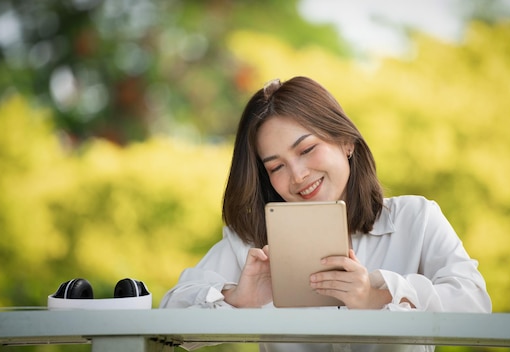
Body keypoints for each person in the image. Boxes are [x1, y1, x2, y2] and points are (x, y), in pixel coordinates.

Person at [160, 76, 492, 351]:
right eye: (277, 167)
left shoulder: (415, 219)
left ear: (346, 142)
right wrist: (236, 299)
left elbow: (475, 306)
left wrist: (378, 295)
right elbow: (166, 328)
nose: (298, 176)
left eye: (307, 149)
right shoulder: (253, 243)